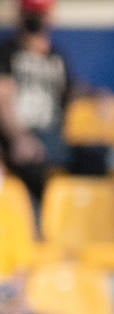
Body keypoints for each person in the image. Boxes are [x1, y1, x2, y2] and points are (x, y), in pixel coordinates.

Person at [0, 0, 70, 200]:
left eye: (39, 13)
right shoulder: (7, 52)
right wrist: (19, 138)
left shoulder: (57, 55)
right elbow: (2, 98)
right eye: (30, 13)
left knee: (92, 160)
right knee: (33, 166)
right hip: (20, 136)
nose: (35, 19)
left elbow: (71, 88)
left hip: (53, 137)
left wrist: (98, 94)